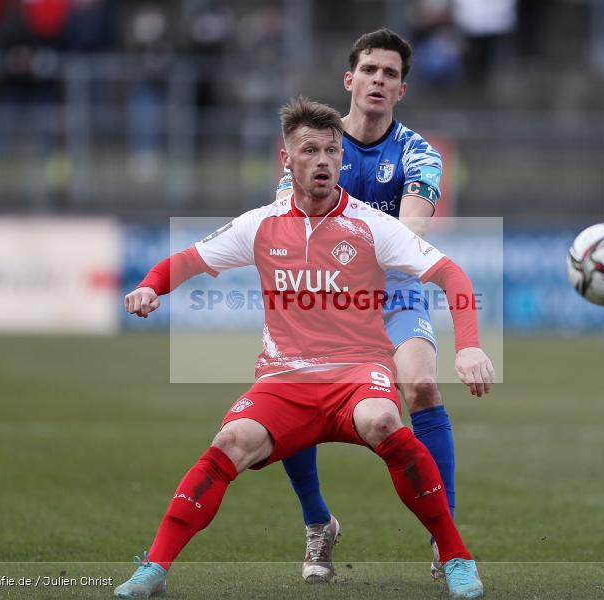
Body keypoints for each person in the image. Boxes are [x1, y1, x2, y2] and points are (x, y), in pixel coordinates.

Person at [115, 97, 493, 599]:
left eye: (331, 150)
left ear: (342, 159)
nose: (322, 160)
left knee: (385, 419)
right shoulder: (260, 224)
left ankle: (455, 557)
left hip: (357, 374)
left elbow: (451, 274)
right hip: (285, 380)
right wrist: (148, 287)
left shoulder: (371, 225)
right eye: (309, 150)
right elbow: (185, 261)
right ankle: (153, 569)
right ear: (286, 159)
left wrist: (468, 347)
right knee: (228, 444)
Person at [274, 28, 458, 582]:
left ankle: (443, 537)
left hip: (393, 288)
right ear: (349, 80)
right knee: (292, 399)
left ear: (402, 89)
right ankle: (318, 524)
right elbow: (289, 217)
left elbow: (410, 234)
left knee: (423, 385)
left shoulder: (418, 154)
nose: (379, 80)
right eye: (370, 71)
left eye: (391, 74)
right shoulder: (317, 145)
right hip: (322, 293)